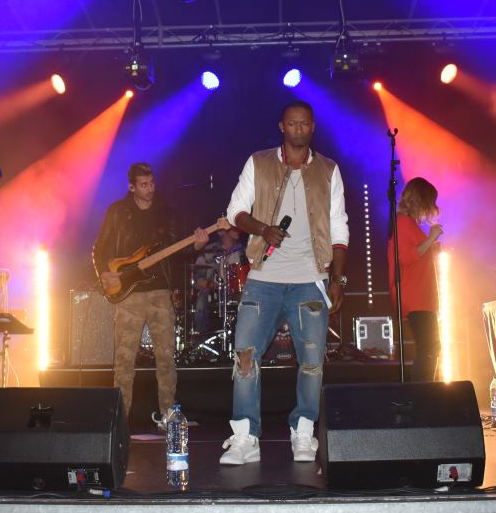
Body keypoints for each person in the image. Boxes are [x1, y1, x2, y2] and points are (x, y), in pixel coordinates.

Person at [219, 99, 350, 466]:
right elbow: (235, 211)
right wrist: (263, 229)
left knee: (312, 361)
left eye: (304, 123)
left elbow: (339, 226)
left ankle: (303, 431)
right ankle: (246, 436)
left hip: (310, 279)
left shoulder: (328, 169)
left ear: (312, 127)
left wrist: (338, 278)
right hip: (264, 277)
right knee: (245, 356)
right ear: (282, 126)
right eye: (292, 123)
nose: (298, 129)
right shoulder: (258, 162)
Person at [93, 163, 208, 427]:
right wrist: (104, 274)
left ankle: (169, 414)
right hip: (128, 295)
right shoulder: (117, 212)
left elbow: (181, 251)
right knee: (124, 359)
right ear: (131, 187)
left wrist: (197, 246)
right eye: (144, 185)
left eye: (152, 183)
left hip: (159, 292)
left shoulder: (166, 213)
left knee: (166, 356)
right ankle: (120, 418)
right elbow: (99, 248)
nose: (150, 188)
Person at [387, 177, 444, 382]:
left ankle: (424, 391)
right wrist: (430, 239)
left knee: (430, 347)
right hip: (415, 296)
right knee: (430, 346)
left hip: (420, 295)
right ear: (421, 200)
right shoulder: (403, 222)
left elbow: (414, 255)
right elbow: (406, 257)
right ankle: (421, 393)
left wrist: (431, 248)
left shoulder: (408, 223)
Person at [191, 227, 246, 336]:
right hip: (213, 292)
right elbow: (198, 278)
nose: (238, 228)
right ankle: (199, 337)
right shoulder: (209, 250)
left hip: (236, 292)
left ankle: (243, 336)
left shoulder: (243, 251)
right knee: (202, 299)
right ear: (223, 231)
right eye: (233, 226)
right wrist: (210, 284)